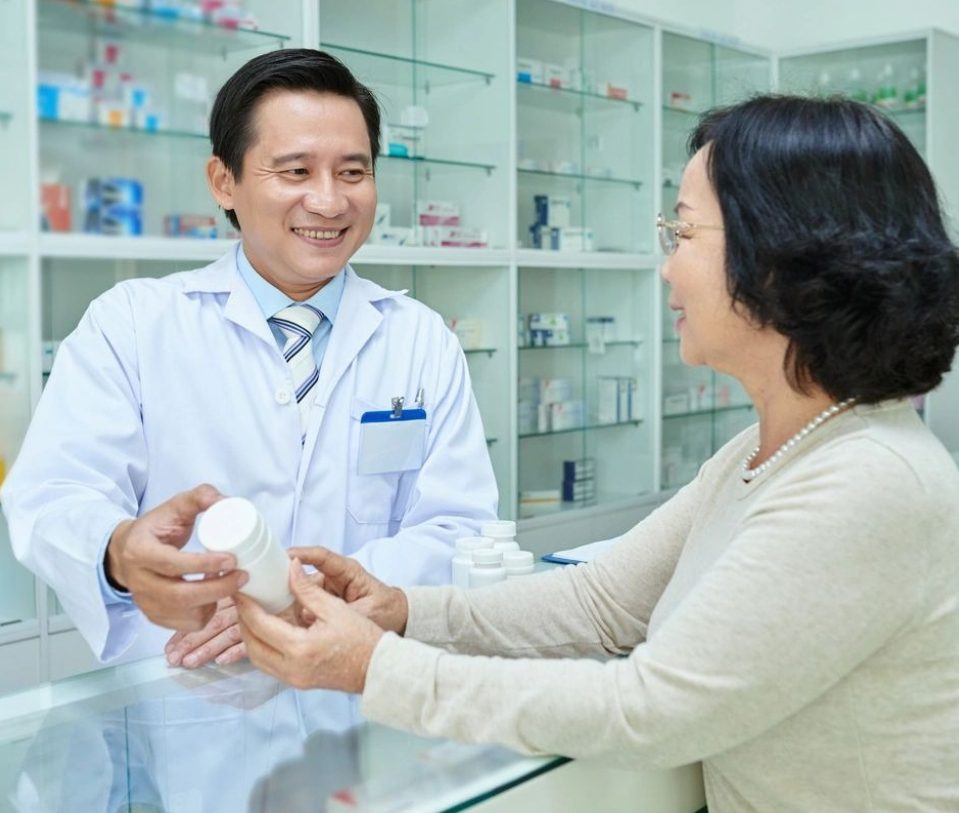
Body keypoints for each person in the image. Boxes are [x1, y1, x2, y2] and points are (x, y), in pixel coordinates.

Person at [235, 95, 959, 811]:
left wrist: (374, 667)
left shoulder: (867, 480)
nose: (666, 268)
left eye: (682, 232)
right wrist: (400, 612)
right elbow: (603, 601)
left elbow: (650, 710)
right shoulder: (772, 448)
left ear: (782, 254)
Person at [0, 49, 497, 669]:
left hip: (364, 683)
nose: (328, 202)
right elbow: (53, 494)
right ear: (223, 181)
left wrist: (302, 598)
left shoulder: (421, 339)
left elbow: (460, 527)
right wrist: (119, 551)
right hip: (189, 686)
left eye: (352, 172)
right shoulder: (132, 323)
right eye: (294, 171)